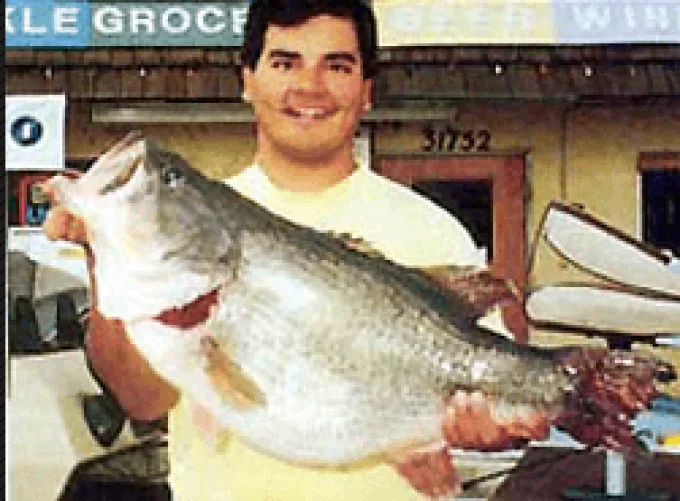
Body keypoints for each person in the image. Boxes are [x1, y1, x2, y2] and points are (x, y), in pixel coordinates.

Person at [43, 1, 550, 499]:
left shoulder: (432, 230)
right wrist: (101, 248)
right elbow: (142, 399)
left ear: (366, 91)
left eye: (337, 65)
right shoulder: (205, 226)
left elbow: (501, 400)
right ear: (248, 79)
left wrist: (491, 425)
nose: (309, 87)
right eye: (285, 62)